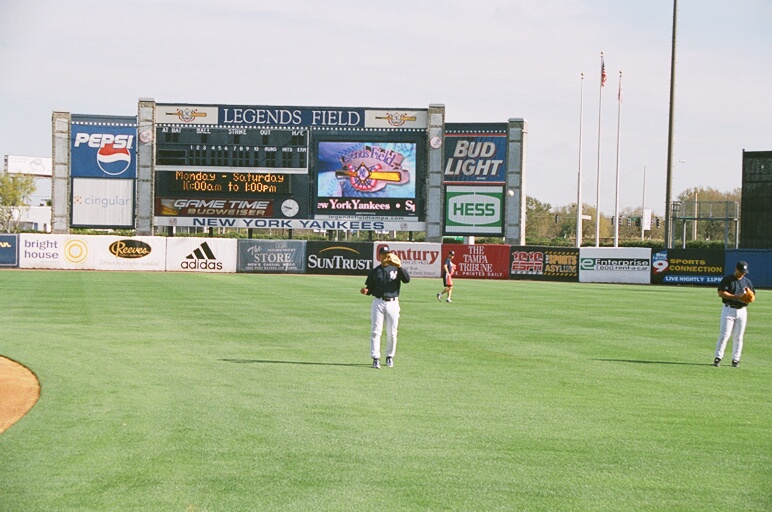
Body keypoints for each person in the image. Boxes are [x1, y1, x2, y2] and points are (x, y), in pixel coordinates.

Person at [360, 245, 411, 369]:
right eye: (383, 254)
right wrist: (366, 291)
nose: (386, 256)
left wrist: (400, 266)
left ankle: (389, 356)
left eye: (388, 254)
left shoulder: (396, 269)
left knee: (392, 333)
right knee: (376, 331)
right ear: (379, 256)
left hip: (393, 302)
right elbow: (370, 288)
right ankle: (375, 358)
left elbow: (407, 280)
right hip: (378, 302)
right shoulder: (375, 271)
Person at [713, 261, 755, 367]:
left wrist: (750, 297)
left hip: (742, 311)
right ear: (736, 269)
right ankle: (718, 357)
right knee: (724, 335)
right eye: (741, 271)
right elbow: (721, 293)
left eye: (744, 272)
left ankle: (736, 359)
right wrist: (736, 297)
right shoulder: (727, 280)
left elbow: (752, 295)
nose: (743, 273)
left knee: (739, 336)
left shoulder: (747, 282)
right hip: (728, 310)